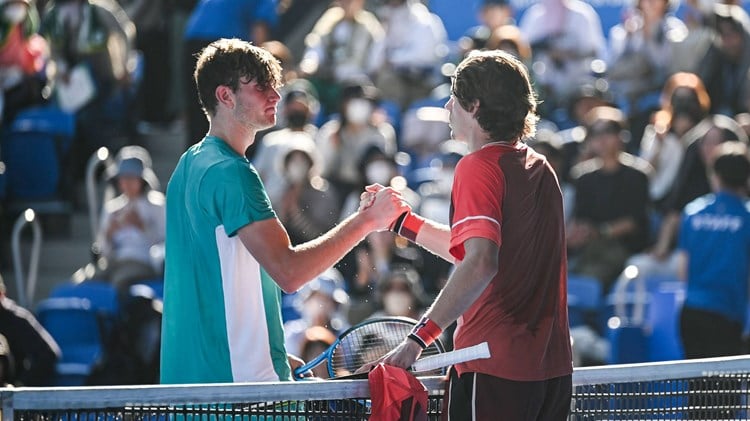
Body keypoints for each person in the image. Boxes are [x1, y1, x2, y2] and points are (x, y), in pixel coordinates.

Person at [160, 38, 409, 384]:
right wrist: (367, 220)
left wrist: (270, 348)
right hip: (239, 392)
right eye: (261, 87)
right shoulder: (232, 173)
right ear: (225, 96)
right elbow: (289, 272)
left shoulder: (187, 165)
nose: (275, 96)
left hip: (192, 386)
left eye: (274, 86)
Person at [359, 50, 572, 420]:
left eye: (454, 98)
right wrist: (402, 223)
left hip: (495, 371)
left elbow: (481, 262)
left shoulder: (476, 167)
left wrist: (417, 340)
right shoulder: (540, 167)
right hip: (551, 372)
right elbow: (476, 251)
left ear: (473, 106)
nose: (446, 107)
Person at [677, 141, 750, 359]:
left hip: (691, 313)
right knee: (725, 391)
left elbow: (682, 270)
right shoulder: (746, 217)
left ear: (715, 175)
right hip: (728, 315)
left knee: (697, 391)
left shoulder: (692, 212)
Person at [95, 145, 165, 290]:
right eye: (123, 178)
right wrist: (109, 233)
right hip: (115, 261)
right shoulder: (112, 208)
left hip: (143, 262)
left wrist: (142, 226)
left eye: (131, 178)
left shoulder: (158, 205)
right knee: (85, 280)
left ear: (141, 180)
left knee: (119, 281)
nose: (126, 183)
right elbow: (103, 250)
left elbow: (165, 245)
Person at [0, 276, 60, 386]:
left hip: (10, 397)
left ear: (1, 294)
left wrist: (21, 385)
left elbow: (48, 354)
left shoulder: (16, 320)